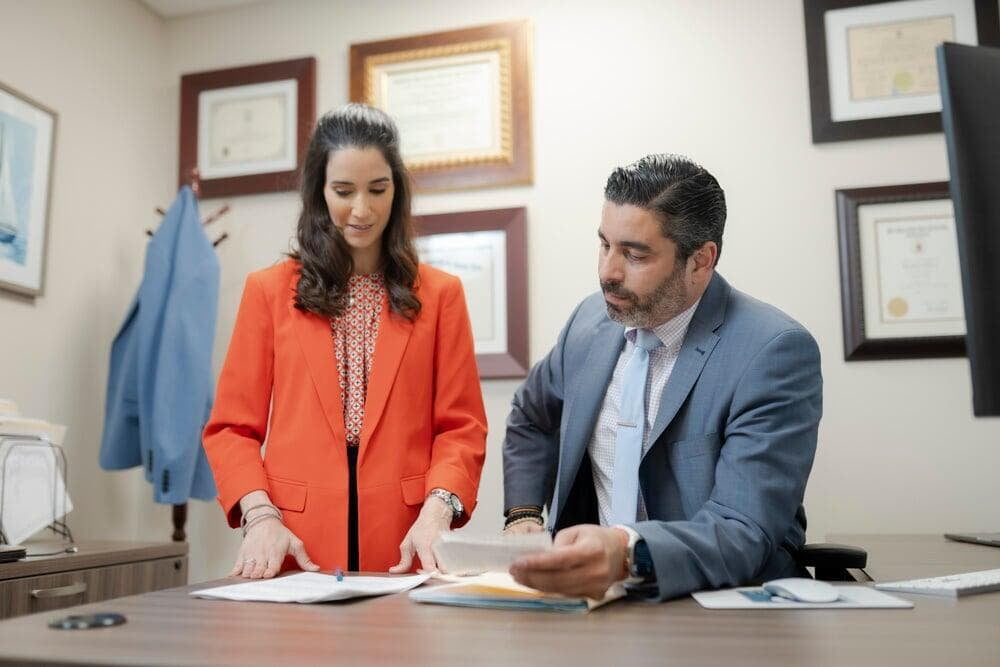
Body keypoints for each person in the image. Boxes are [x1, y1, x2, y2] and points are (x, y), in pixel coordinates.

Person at [502, 154, 821, 601]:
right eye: (604, 245)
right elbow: (531, 417)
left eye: (635, 255)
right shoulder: (589, 323)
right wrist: (523, 515)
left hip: (720, 605)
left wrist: (626, 552)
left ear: (701, 261)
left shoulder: (773, 351)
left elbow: (742, 529)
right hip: (592, 603)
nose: (608, 272)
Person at [203, 104, 487, 579]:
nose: (362, 209)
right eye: (343, 191)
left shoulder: (441, 295)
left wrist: (438, 511)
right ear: (319, 191)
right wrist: (261, 516)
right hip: (295, 543)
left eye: (378, 189)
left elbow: (462, 427)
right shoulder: (268, 292)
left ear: (397, 189)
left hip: (407, 540)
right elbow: (232, 429)